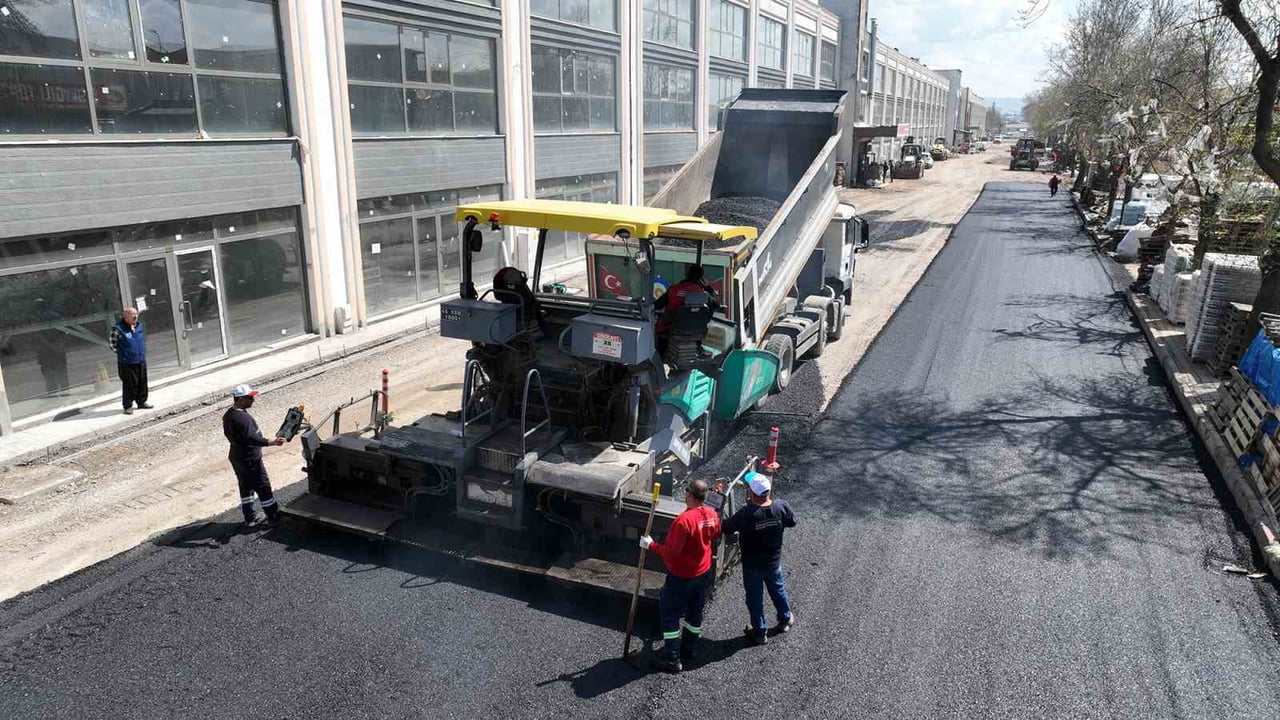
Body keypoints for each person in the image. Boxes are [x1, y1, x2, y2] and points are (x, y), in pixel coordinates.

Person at [640, 479, 722, 673]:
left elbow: (671, 553)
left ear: (689, 495)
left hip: (682, 577)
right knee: (695, 612)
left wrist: (650, 545)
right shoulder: (712, 514)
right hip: (703, 573)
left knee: (670, 615)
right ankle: (689, 649)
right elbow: (715, 534)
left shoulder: (683, 521)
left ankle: (672, 659)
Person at [723, 471, 796, 645]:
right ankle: (785, 619)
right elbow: (792, 521)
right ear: (768, 491)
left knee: (754, 599)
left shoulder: (746, 513)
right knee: (778, 590)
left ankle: (759, 632)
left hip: (752, 565)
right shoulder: (781, 507)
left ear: (752, 493)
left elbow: (726, 527)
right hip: (773, 563)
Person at [223, 384, 286, 528]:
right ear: (240, 399)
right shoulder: (242, 419)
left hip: (237, 456)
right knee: (263, 486)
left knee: (245, 486)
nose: (253, 400)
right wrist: (272, 442)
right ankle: (273, 516)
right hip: (250, 459)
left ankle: (250, 518)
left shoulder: (229, 414)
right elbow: (252, 438)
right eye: (249, 398)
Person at [655, 265, 720, 354]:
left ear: (687, 275)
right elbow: (716, 304)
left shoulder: (673, 289)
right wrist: (707, 287)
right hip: (696, 333)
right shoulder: (703, 294)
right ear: (701, 278)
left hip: (670, 331)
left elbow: (657, 305)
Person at [109, 307, 152, 415]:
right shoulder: (118, 328)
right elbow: (112, 345)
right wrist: (124, 354)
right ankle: (128, 406)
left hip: (140, 360)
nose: (135, 316)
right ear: (125, 316)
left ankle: (141, 402)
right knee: (130, 385)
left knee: (142, 382)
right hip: (127, 363)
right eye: (132, 314)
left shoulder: (139, 326)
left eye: (136, 314)